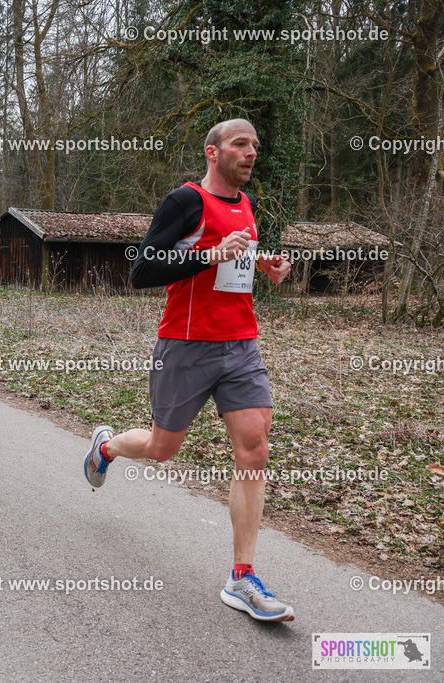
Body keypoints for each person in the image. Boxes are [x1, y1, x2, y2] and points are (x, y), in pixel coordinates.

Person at [82, 119, 295, 622]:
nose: (251, 153)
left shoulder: (246, 204)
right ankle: (106, 447)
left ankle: (242, 578)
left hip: (241, 343)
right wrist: (208, 254)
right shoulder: (185, 202)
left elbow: (232, 256)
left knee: (254, 445)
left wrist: (262, 263)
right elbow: (143, 270)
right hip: (185, 345)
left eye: (255, 146)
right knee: (163, 447)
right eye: (240, 145)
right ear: (212, 152)